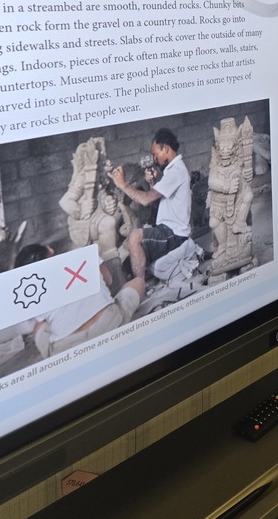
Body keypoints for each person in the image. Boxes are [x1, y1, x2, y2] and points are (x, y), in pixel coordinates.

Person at [14, 244, 145, 358]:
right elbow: (109, 281)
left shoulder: (33, 291)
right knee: (137, 283)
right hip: (109, 324)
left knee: (39, 326)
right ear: (50, 250)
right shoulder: (82, 254)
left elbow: (42, 321)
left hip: (69, 351)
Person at [108, 128, 191, 281]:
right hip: (167, 229)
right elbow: (157, 199)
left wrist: (122, 185)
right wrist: (152, 182)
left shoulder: (176, 171)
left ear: (165, 148)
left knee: (134, 237)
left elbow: (146, 199)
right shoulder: (172, 170)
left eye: (155, 154)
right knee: (137, 242)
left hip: (174, 234)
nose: (154, 158)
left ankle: (140, 287)